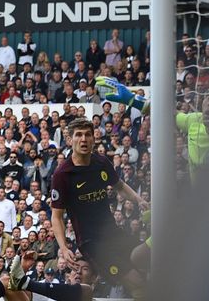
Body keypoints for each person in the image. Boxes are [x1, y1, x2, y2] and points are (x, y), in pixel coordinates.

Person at [50, 117, 149, 298]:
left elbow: (119, 185)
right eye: (78, 135)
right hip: (93, 244)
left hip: (114, 233)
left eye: (88, 134)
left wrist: (138, 200)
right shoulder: (62, 174)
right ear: (70, 139)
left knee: (147, 260)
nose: (83, 139)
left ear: (94, 139)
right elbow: (56, 217)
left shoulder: (101, 162)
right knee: (136, 282)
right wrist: (64, 248)